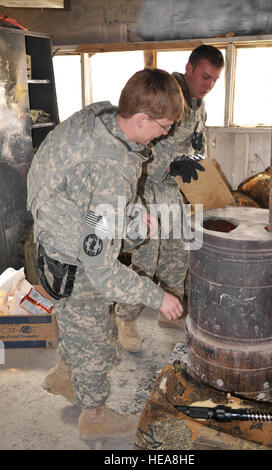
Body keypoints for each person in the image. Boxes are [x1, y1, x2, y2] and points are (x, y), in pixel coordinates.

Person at [27, 68, 184, 440]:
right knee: (96, 334)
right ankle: (94, 416)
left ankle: (65, 375)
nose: (166, 133)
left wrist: (129, 213)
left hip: (53, 228)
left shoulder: (98, 117)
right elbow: (102, 272)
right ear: (142, 118)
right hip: (71, 253)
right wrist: (157, 296)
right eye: (163, 125)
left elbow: (92, 199)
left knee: (73, 319)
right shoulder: (112, 167)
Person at [115, 45, 224, 353]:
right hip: (147, 187)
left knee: (179, 254)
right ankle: (126, 316)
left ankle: (169, 310)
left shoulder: (198, 104)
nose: (209, 85)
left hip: (172, 191)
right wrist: (175, 161)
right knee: (146, 259)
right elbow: (142, 142)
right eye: (205, 76)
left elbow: (197, 144)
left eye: (215, 80)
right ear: (189, 69)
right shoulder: (167, 94)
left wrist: (197, 171)